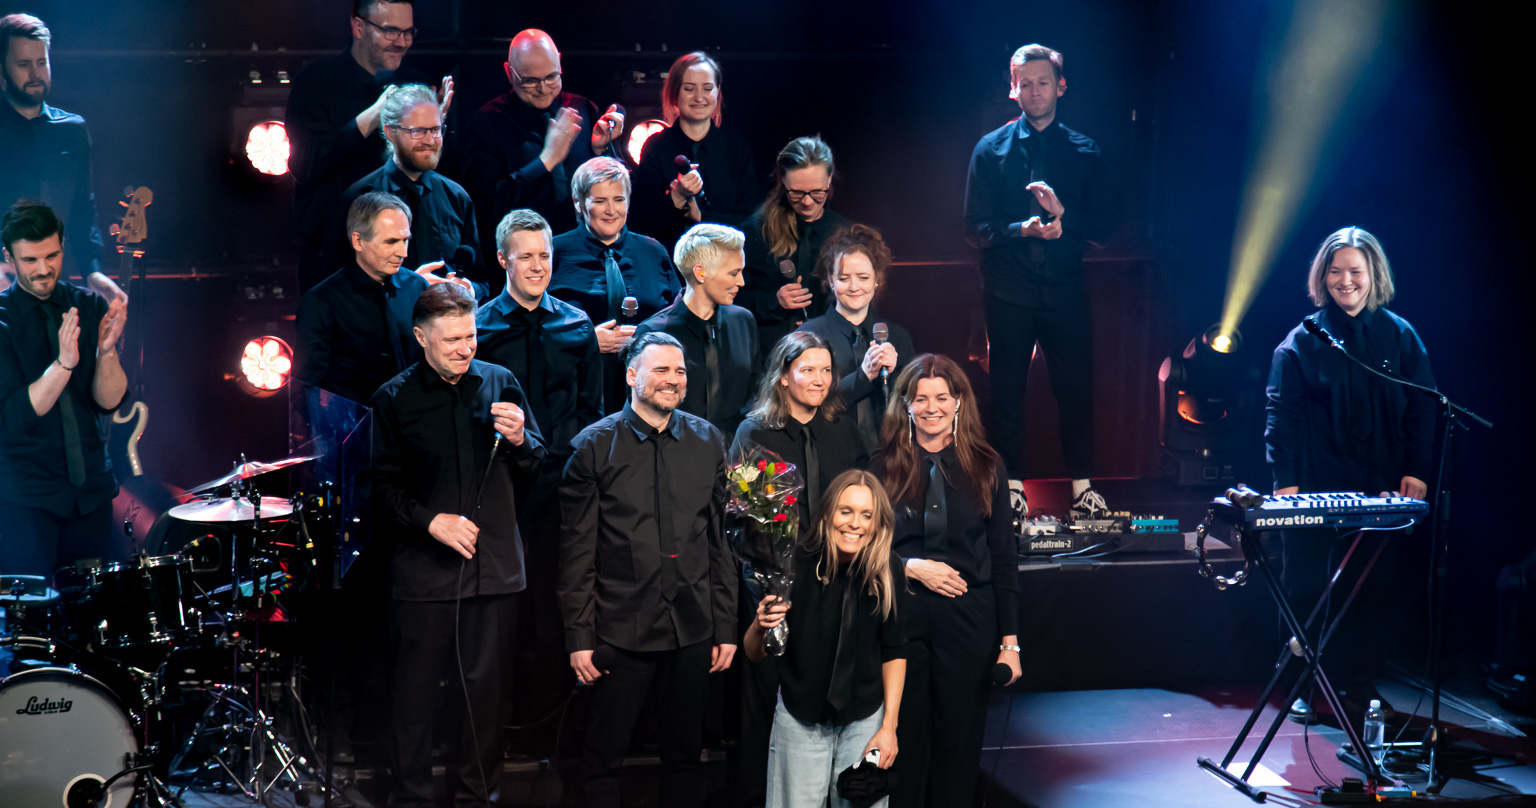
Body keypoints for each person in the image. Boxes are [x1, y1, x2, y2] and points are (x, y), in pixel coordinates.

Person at [370, 283, 545, 808]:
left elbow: (537, 464)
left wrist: (520, 440)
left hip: (493, 572)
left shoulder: (500, 381)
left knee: (486, 701)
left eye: (470, 336)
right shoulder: (393, 399)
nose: (465, 348)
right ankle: (412, 798)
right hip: (425, 574)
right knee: (415, 702)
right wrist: (432, 522)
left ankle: (476, 797)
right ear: (422, 338)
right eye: (451, 340)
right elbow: (379, 490)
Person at [558, 332, 738, 807]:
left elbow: (719, 543)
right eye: (661, 370)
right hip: (620, 628)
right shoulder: (593, 447)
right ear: (632, 375)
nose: (673, 380)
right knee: (603, 759)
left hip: (694, 627)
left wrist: (726, 626)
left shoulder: (707, 440)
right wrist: (580, 637)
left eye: (679, 371)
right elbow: (576, 553)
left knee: (686, 757)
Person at [1266, 226, 1436, 722]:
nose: (1346, 281)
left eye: (1355, 271)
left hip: (1381, 485)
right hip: (1315, 486)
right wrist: (1286, 484)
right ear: (1323, 276)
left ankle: (1359, 685)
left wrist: (1417, 471)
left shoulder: (1401, 336)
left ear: (1372, 275)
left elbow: (1423, 409)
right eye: (1336, 271)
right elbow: (1282, 417)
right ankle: (1301, 686)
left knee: (1371, 589)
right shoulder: (1300, 341)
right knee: (1304, 589)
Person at [963, 43, 1109, 519]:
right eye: (1024, 82)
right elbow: (974, 229)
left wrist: (1066, 218)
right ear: (1012, 88)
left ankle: (1083, 487)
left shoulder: (1085, 151)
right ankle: (1011, 485)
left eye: (1043, 81)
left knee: (1076, 389)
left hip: (1065, 290)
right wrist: (1021, 229)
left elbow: (1106, 228)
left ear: (1061, 86)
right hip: (1009, 291)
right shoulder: (990, 150)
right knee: (1006, 392)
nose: (1034, 90)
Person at [869, 354, 1021, 808]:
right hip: (902, 618)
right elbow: (859, 547)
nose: (931, 407)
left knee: (958, 745)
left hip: (969, 621)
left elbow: (1004, 558)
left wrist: (1010, 644)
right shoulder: (881, 466)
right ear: (906, 405)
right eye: (921, 398)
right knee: (905, 741)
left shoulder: (988, 465)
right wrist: (911, 567)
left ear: (958, 403)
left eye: (941, 397)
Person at [729, 330, 868, 806]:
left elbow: (861, 501)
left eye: (827, 370)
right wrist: (775, 585)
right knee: (768, 704)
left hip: (837, 585)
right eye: (807, 369)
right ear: (784, 376)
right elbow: (746, 519)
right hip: (774, 588)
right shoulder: (756, 433)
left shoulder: (840, 429)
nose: (820, 379)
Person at [475, 208, 602, 713]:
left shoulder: (576, 323)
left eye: (544, 256)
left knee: (557, 594)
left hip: (561, 483)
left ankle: (551, 714)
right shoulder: (480, 326)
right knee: (503, 603)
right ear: (504, 259)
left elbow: (592, 410)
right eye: (525, 256)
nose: (536, 266)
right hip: (499, 485)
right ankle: (500, 714)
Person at [747, 469, 905, 808]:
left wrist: (888, 727)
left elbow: (894, 650)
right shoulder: (794, 563)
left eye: (867, 515)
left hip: (865, 720)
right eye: (845, 511)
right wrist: (760, 626)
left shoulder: (887, 568)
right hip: (800, 717)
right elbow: (755, 653)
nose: (855, 523)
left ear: (878, 523)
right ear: (828, 512)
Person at [0, 201, 127, 576]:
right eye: (30, 260)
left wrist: (106, 353)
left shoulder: (85, 304)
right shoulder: (3, 321)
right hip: (27, 500)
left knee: (93, 622)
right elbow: (17, 415)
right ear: (9, 256)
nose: (43, 269)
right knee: (34, 627)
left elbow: (108, 402)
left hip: (90, 494)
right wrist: (64, 364)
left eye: (52, 255)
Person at [286, 0, 450, 289]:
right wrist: (374, 114)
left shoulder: (415, 83)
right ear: (358, 26)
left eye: (408, 32)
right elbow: (306, 164)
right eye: (390, 31)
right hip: (335, 259)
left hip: (404, 258)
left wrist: (429, 135)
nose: (402, 42)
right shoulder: (316, 81)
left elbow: (425, 179)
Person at [458, 29, 625, 252]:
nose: (543, 89)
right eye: (530, 81)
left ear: (560, 63)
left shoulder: (583, 108)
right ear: (509, 72)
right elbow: (487, 206)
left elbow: (615, 190)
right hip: (523, 253)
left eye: (551, 77)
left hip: (584, 250)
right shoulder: (486, 123)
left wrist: (600, 149)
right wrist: (545, 161)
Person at [297, 191, 464, 405]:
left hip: (418, 418)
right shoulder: (321, 302)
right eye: (391, 242)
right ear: (358, 241)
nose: (402, 252)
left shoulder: (416, 287)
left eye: (405, 240)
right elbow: (306, 386)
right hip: (358, 426)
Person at [0, 14, 123, 299]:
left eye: (41, 63)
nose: (35, 74)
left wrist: (93, 271)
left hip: (52, 290)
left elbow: (82, 209)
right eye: (23, 65)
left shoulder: (72, 130)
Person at [549, 157, 679, 410]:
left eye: (618, 200)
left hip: (647, 397)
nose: (611, 210)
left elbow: (677, 319)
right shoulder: (554, 252)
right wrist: (585, 341)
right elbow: (534, 326)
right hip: (576, 396)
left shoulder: (653, 251)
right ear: (578, 203)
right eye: (600, 201)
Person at [333, 84, 483, 296]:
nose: (430, 141)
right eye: (418, 131)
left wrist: (468, 288)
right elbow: (339, 287)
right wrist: (411, 287)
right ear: (391, 133)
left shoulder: (457, 197)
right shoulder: (358, 199)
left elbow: (481, 279)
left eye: (436, 130)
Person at [798, 224, 915, 452]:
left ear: (876, 280)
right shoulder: (810, 336)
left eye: (863, 277)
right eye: (843, 278)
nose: (854, 287)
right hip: (828, 454)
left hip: (888, 458)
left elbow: (912, 404)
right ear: (830, 281)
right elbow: (804, 403)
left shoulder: (898, 337)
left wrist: (895, 376)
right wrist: (863, 376)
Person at [633, 223, 757, 436]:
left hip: (738, 455)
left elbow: (756, 393)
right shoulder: (653, 333)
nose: (741, 282)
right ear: (700, 273)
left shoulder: (743, 321)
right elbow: (641, 411)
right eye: (733, 273)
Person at [632, 51, 760, 248]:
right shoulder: (655, 148)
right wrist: (676, 198)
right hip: (669, 268)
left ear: (717, 92)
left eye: (707, 88)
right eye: (689, 89)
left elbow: (751, 222)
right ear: (675, 94)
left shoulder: (736, 149)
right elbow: (640, 223)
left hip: (724, 267)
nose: (699, 97)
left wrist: (702, 216)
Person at [739, 137, 851, 362]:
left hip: (829, 356)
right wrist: (774, 301)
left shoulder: (845, 234)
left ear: (829, 179)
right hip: (768, 356)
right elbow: (732, 299)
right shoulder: (755, 232)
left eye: (817, 192)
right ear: (782, 181)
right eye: (797, 193)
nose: (808, 202)